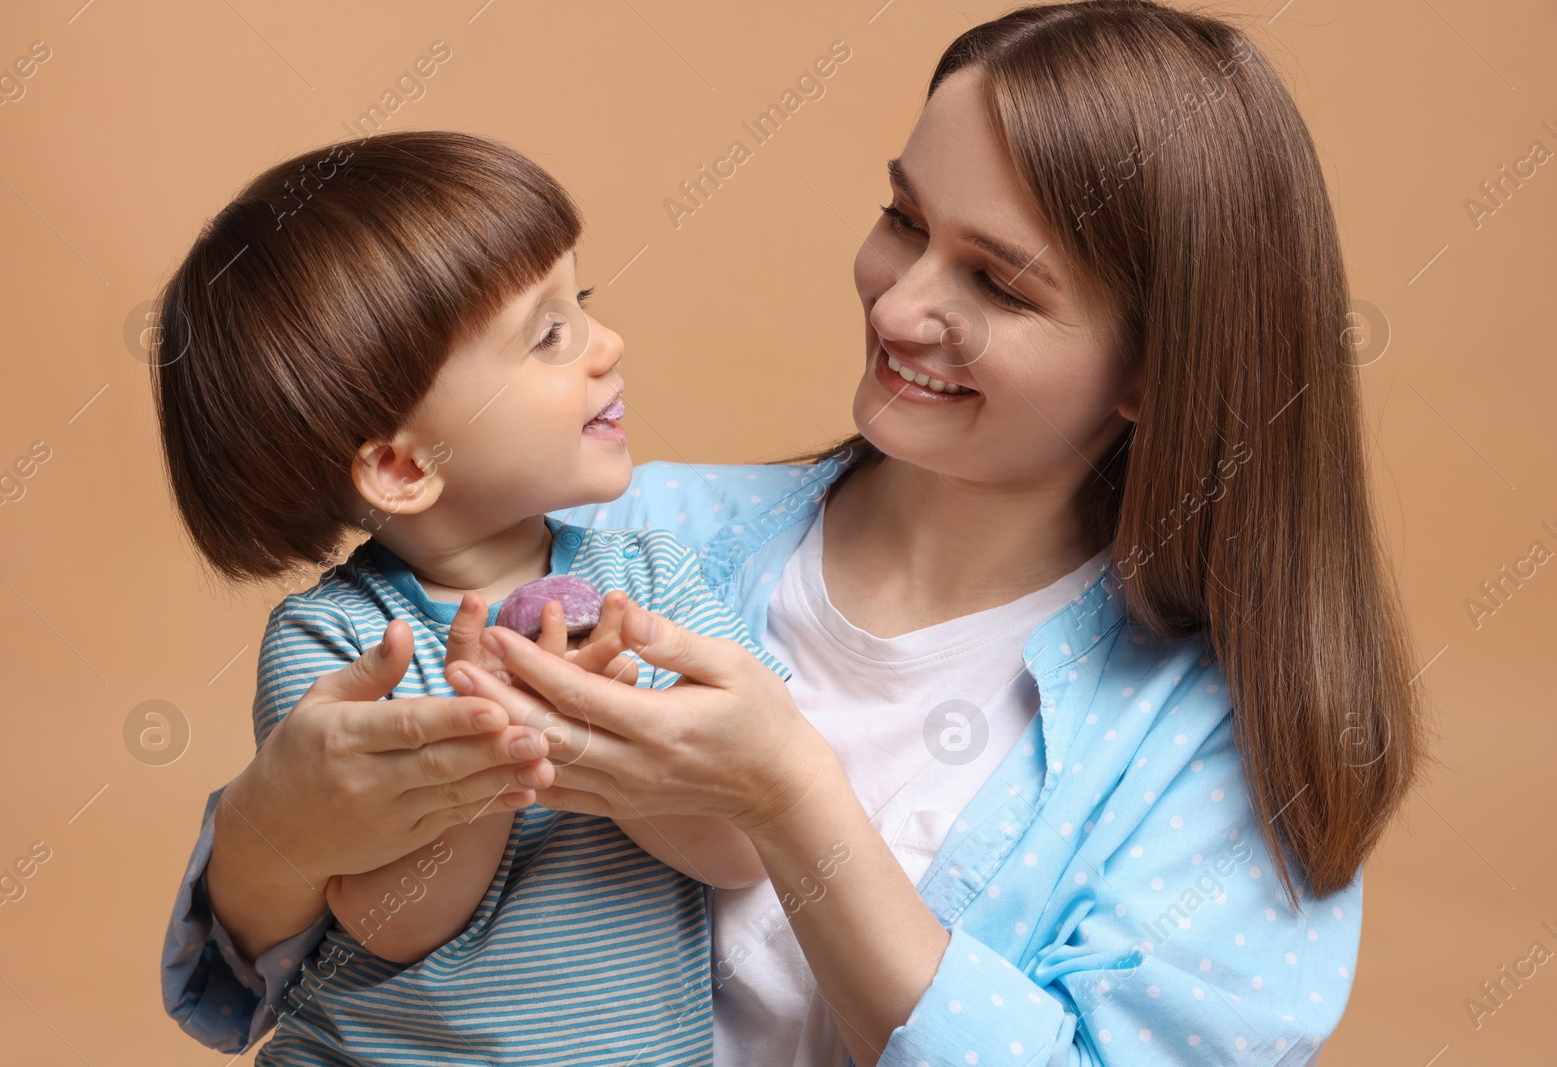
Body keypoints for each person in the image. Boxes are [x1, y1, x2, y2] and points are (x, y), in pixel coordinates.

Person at [161, 3, 1423, 1064]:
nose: (903, 300)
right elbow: (277, 963)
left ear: (1152, 369)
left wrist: (792, 801)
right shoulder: (611, 535)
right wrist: (271, 834)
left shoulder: (1223, 747)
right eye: (903, 218)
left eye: (998, 280)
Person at [151, 130, 792, 1064]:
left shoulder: (654, 585)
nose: (607, 346)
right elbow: (387, 921)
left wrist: (597, 733)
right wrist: (501, 735)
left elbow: (744, 844)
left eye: (584, 305)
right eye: (549, 335)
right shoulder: (343, 643)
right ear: (406, 466)